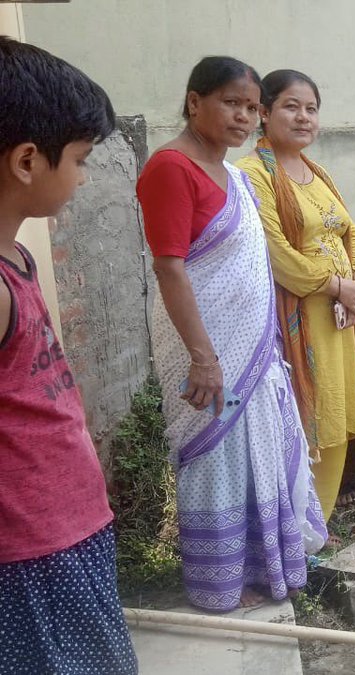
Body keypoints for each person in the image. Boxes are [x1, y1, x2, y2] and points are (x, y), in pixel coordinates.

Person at [136, 56, 327, 612]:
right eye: (231, 103)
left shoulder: (233, 173)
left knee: (258, 453)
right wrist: (204, 358)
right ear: (195, 102)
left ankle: (268, 567)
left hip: (253, 349)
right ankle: (220, 583)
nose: (245, 116)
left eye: (251, 106)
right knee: (217, 456)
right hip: (207, 351)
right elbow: (170, 267)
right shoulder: (172, 167)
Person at [0, 36, 138, 673]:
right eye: (80, 160)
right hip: (27, 558)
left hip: (67, 532)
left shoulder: (18, 259)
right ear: (28, 160)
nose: (84, 178)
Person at [236, 70, 355, 522]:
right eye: (291, 106)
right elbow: (279, 256)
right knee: (302, 422)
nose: (303, 117)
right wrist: (339, 286)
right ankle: (293, 532)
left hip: (339, 320)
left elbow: (351, 233)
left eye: (311, 108)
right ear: (264, 113)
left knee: (334, 422)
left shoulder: (318, 172)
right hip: (298, 320)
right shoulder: (253, 175)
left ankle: (318, 526)